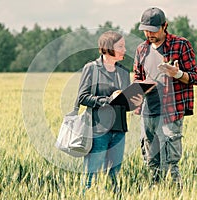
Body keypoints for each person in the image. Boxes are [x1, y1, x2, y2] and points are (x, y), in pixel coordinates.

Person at [133, 7, 197, 190]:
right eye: (146, 30)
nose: (149, 34)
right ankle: (154, 192)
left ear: (165, 26)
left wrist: (178, 73)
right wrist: (131, 94)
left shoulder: (181, 45)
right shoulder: (141, 50)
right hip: (148, 112)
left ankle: (174, 193)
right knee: (150, 160)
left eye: (153, 30)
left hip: (171, 112)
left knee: (171, 161)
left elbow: (195, 77)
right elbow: (137, 79)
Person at [77, 30, 143, 192]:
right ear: (108, 48)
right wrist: (108, 100)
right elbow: (83, 97)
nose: (125, 50)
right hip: (98, 130)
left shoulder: (123, 71)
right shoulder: (91, 68)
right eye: (120, 46)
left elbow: (125, 103)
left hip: (119, 129)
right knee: (90, 176)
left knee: (114, 176)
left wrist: (136, 100)